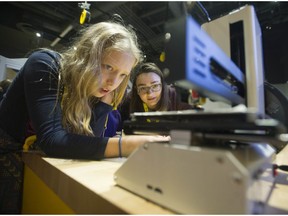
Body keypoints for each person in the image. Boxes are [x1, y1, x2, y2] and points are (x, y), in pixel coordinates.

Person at [0, 20, 169, 213]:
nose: (113, 81)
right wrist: (129, 145)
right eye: (108, 67)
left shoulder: (95, 90)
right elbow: (52, 140)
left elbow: (88, 141)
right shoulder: (45, 63)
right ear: (86, 55)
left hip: (33, 169)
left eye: (123, 75)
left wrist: (104, 103)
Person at [119, 62, 199, 125]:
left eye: (155, 86)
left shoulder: (176, 96)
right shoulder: (129, 101)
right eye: (143, 88)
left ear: (163, 85)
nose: (150, 93)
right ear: (136, 89)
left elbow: (195, 121)